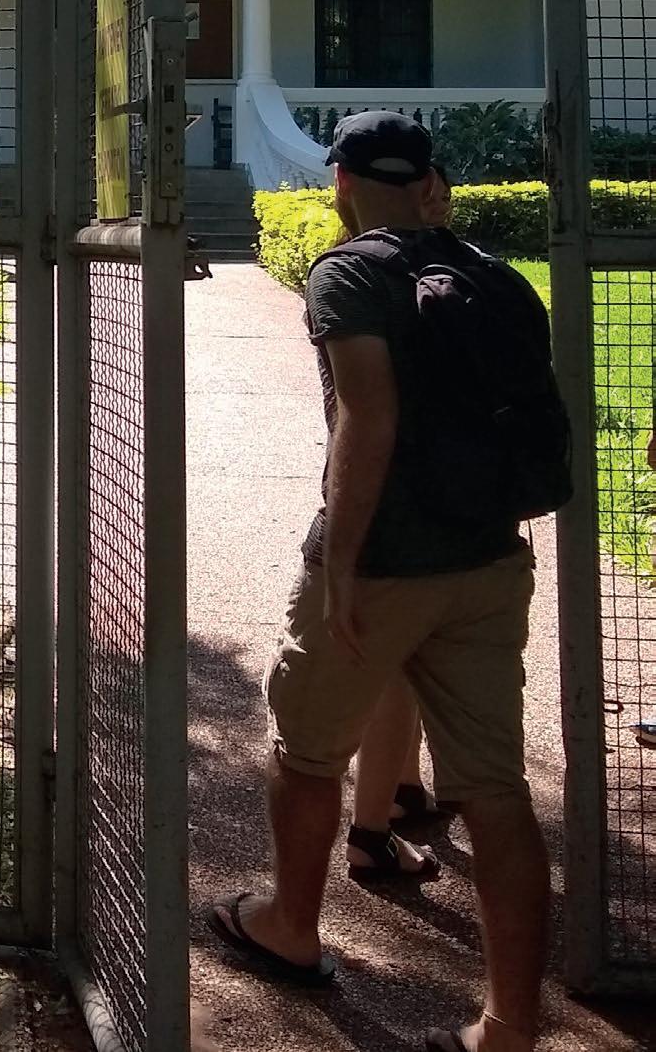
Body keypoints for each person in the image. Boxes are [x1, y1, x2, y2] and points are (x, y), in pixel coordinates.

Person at [207, 113, 557, 1052]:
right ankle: (508, 1028)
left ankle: (290, 923)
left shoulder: (348, 274)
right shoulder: (496, 276)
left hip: (385, 562)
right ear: (431, 184)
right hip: (490, 559)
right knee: (496, 792)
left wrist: (344, 566)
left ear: (342, 184)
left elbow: (369, 419)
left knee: (307, 752)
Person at [348, 162, 455, 881]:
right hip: (404, 511)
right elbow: (368, 419)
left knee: (408, 662)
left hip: (424, 504)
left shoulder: (365, 271)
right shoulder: (368, 276)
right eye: (429, 192)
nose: (438, 203)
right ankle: (371, 823)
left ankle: (402, 786)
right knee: (391, 666)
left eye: (443, 192)